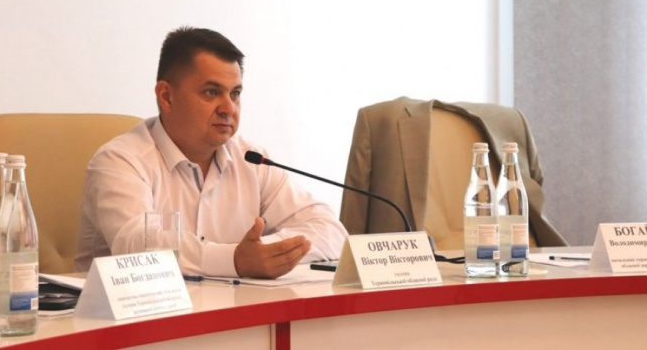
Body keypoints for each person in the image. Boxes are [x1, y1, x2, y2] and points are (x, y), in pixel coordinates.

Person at [75, 27, 347, 278]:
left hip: (230, 309)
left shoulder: (252, 159)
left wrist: (264, 252)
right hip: (134, 312)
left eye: (235, 94)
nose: (229, 108)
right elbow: (136, 245)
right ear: (166, 96)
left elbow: (329, 229)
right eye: (211, 92)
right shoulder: (119, 161)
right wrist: (235, 259)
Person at [339, 96, 567, 248]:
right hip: (417, 285)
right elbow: (348, 229)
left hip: (517, 269)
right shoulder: (378, 123)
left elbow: (534, 193)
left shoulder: (514, 126)